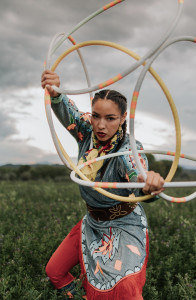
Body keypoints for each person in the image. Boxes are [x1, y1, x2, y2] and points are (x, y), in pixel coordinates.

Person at [41, 70, 165, 299]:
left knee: (125, 289)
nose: (101, 125)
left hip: (124, 225)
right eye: (96, 116)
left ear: (123, 118)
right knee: (54, 272)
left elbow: (137, 172)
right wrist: (55, 90)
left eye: (110, 118)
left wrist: (148, 182)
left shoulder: (129, 148)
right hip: (92, 223)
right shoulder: (86, 132)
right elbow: (66, 111)